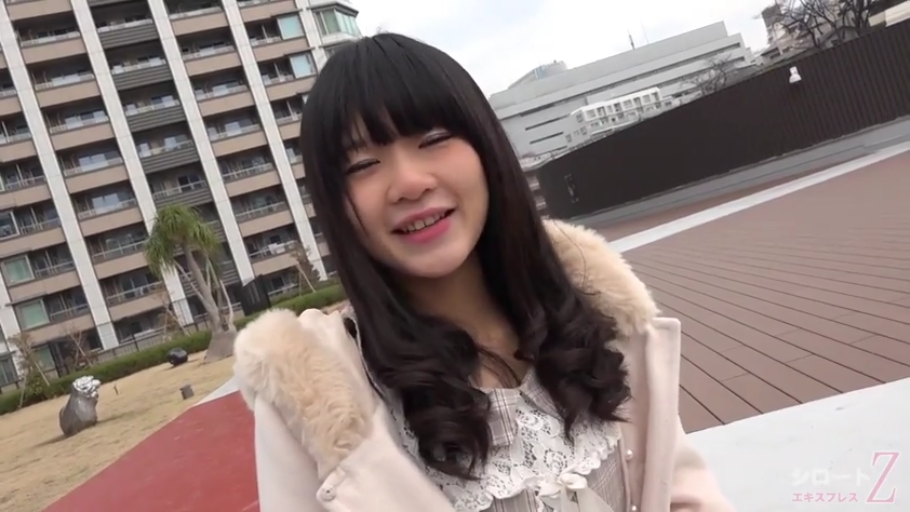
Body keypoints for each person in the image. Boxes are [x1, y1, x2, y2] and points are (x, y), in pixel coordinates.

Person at [232, 32, 734, 512]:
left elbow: (680, 491)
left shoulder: (594, 304)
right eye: (362, 165)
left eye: (433, 138)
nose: (409, 183)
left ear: (486, 147)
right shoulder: (314, 393)